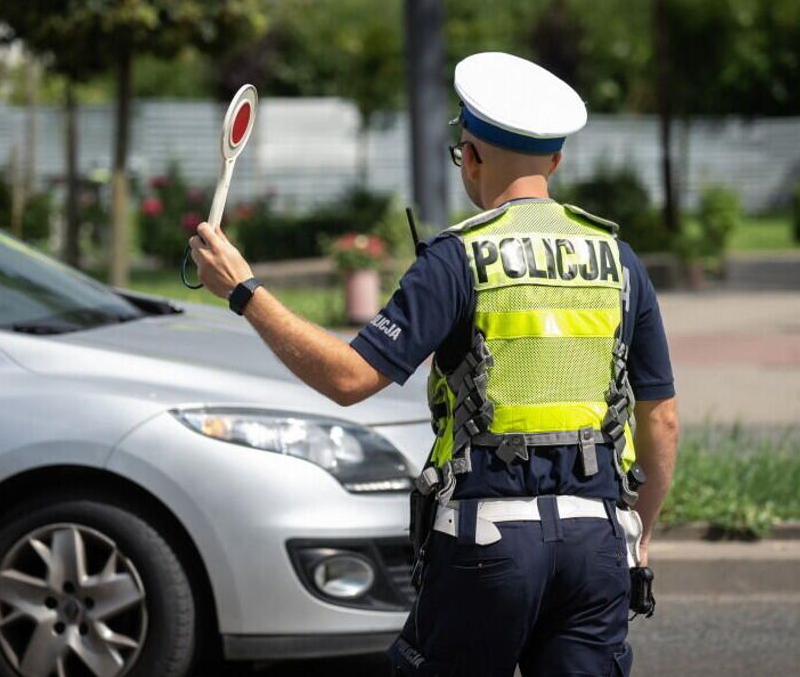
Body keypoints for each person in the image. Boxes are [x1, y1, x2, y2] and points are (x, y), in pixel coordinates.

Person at [189, 51, 679, 677]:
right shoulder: (620, 261)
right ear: (555, 161)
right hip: (598, 543)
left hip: (488, 545)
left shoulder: (456, 260)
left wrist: (244, 291)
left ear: (470, 155)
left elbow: (348, 378)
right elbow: (660, 418)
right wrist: (638, 532)